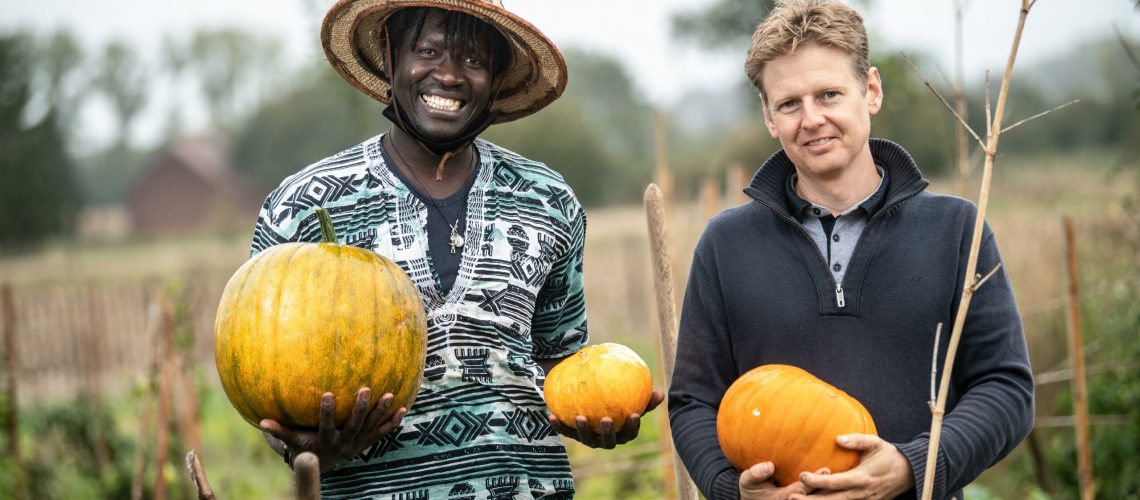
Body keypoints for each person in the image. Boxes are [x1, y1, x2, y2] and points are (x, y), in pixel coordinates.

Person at [250, 1, 663, 497]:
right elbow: (266, 388)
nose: (448, 74)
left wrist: (598, 416)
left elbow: (565, 366)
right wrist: (306, 449)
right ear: (390, 57)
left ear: (496, 78)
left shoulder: (548, 200)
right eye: (427, 50)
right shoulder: (300, 208)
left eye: (473, 60)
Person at [667, 1, 1034, 499]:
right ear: (768, 116)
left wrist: (913, 466)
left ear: (872, 90)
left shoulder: (957, 230)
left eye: (829, 94)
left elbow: (1006, 388)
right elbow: (693, 401)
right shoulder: (725, 244)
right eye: (790, 103)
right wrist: (733, 491)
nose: (812, 119)